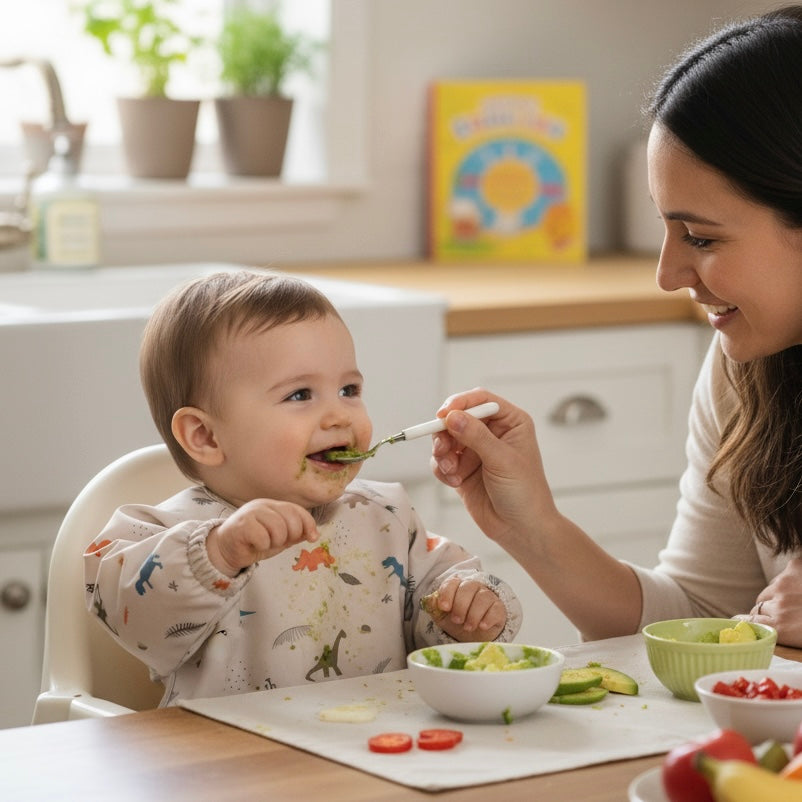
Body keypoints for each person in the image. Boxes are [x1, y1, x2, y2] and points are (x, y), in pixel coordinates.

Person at [431, 5, 802, 648]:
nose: (667, 273)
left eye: (702, 237)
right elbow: (697, 617)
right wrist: (531, 525)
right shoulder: (746, 370)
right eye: (665, 228)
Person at [84, 269, 521, 704]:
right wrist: (218, 554)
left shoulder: (387, 514)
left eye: (349, 389)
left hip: (377, 748)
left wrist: (465, 612)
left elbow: (443, 603)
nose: (338, 416)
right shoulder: (165, 533)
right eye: (300, 395)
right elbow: (133, 616)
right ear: (206, 436)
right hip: (234, 763)